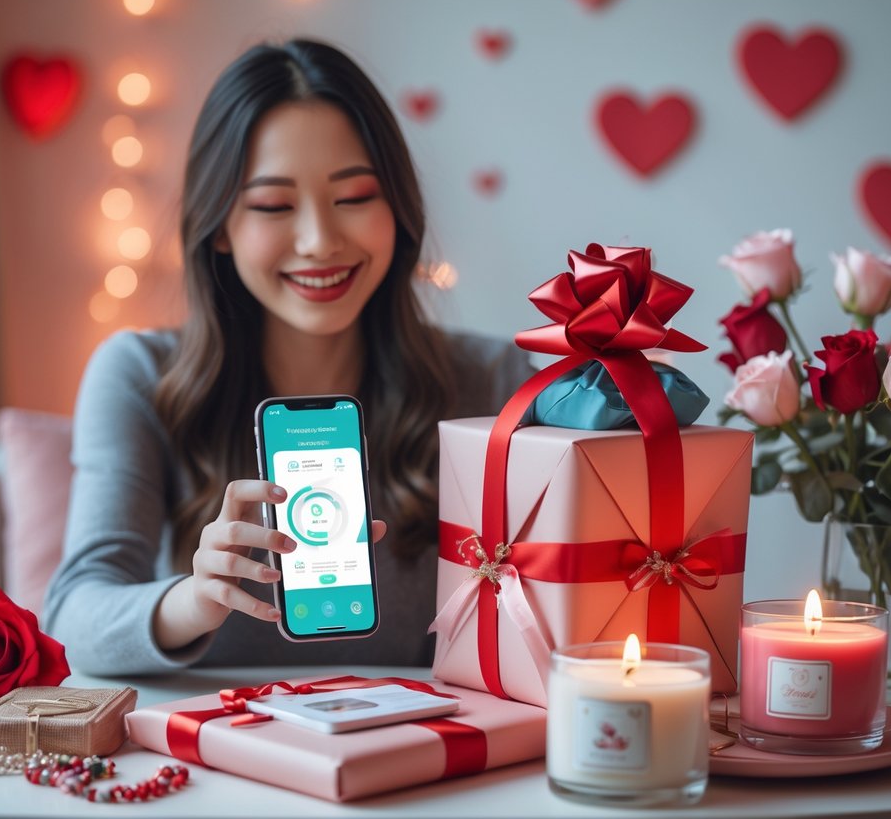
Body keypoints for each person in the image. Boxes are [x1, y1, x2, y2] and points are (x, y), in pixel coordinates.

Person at [42, 38, 534, 675]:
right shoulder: (138, 373)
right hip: (221, 755)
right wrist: (196, 599)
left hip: (419, 753)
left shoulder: (497, 380)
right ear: (218, 224)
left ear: (397, 208)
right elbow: (73, 617)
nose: (319, 241)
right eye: (273, 205)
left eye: (354, 197)